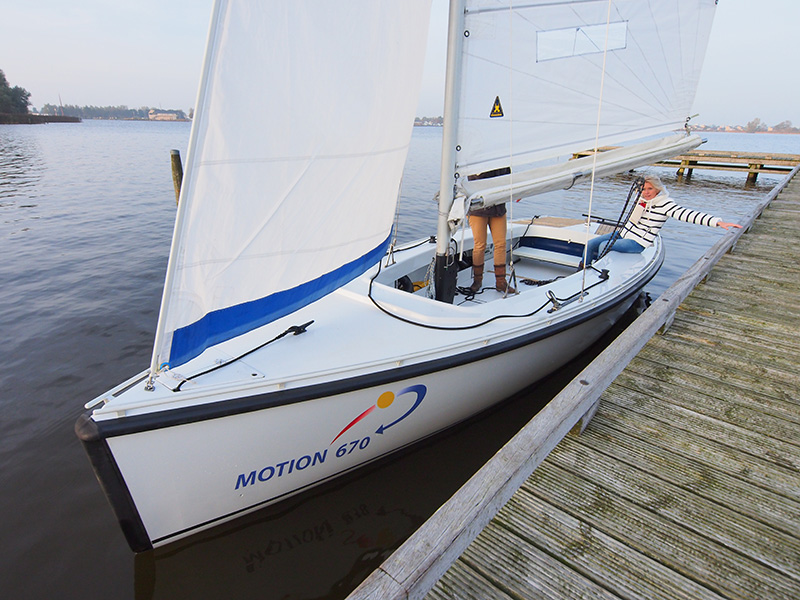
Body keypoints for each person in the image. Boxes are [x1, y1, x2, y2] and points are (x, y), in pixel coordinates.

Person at [583, 174, 742, 265]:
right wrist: (641, 202)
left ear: (658, 189)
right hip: (623, 234)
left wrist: (717, 222)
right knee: (590, 244)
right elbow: (631, 218)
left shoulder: (665, 204)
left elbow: (687, 214)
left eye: (650, 189)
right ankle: (582, 271)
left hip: (637, 242)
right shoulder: (641, 200)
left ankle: (597, 274)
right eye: (644, 189)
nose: (646, 192)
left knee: (605, 245)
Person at [468, 203, 515, 294]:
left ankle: (501, 282)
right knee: (480, 246)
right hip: (477, 210)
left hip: (498, 209)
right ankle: (477, 280)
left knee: (501, 244)